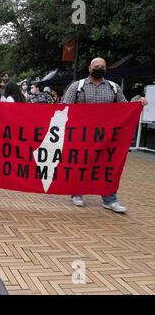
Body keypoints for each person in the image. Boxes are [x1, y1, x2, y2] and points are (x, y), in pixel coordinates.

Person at [63, 57, 148, 214]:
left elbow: (124, 107)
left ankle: (110, 198)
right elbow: (64, 107)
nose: (99, 68)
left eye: (102, 66)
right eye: (96, 66)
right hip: (82, 135)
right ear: (89, 68)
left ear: (106, 69)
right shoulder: (77, 86)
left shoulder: (113, 88)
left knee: (107, 165)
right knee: (81, 163)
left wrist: (137, 103)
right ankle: (77, 192)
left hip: (106, 136)